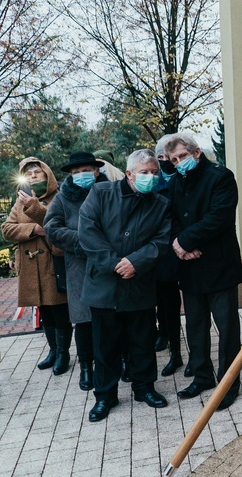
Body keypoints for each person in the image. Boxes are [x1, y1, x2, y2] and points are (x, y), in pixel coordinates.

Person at [79, 149, 171, 422]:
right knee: (105, 346)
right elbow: (88, 232)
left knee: (142, 340)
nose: (151, 177)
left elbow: (161, 241)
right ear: (130, 173)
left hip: (138, 284)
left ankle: (145, 388)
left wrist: (136, 262)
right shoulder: (101, 193)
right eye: (145, 172)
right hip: (104, 286)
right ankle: (105, 395)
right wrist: (115, 263)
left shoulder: (160, 203)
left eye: (155, 172)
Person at [165, 133, 242, 411]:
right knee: (195, 326)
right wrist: (180, 246)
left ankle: (228, 383)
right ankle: (202, 376)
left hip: (219, 264)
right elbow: (172, 219)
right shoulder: (175, 183)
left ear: (196, 152)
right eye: (174, 160)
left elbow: (219, 217)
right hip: (189, 265)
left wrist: (185, 241)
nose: (178, 163)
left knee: (227, 329)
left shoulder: (220, 176)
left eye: (182, 157)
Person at [44, 151, 109, 391]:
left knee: (112, 318)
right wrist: (83, 242)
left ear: (96, 170)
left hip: (109, 263)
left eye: (85, 171)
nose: (80, 175)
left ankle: (120, 361)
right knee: (83, 321)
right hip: (78, 267)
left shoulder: (110, 190)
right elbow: (51, 227)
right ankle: (86, 368)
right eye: (75, 172)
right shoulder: (62, 198)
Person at [1, 157, 71, 375]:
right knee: (44, 311)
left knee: (60, 310)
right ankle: (53, 350)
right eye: (28, 173)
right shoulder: (20, 201)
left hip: (52, 264)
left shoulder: (60, 196)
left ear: (47, 174)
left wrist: (37, 211)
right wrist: (33, 229)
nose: (33, 175)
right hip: (31, 267)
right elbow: (7, 229)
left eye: (37, 172)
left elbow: (60, 225)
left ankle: (64, 353)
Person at [152, 135, 184, 376]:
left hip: (182, 246)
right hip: (160, 251)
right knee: (163, 302)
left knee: (177, 303)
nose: (164, 161)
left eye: (168, 157)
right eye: (160, 157)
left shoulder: (183, 177)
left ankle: (179, 350)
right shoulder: (153, 180)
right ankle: (166, 339)